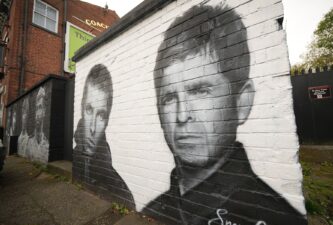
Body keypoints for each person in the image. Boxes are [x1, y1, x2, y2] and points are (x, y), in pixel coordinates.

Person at [142, 4, 307, 225]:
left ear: (242, 102)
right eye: (169, 98)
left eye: (200, 91)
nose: (182, 116)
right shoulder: (153, 209)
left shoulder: (277, 218)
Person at [73, 64, 135, 208]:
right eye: (89, 110)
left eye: (101, 115)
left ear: (107, 121)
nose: (93, 127)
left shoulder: (121, 194)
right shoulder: (73, 162)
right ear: (81, 108)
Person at [28, 87, 49, 162]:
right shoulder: (30, 142)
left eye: (40, 108)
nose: (37, 114)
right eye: (36, 108)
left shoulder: (46, 145)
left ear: (44, 111)